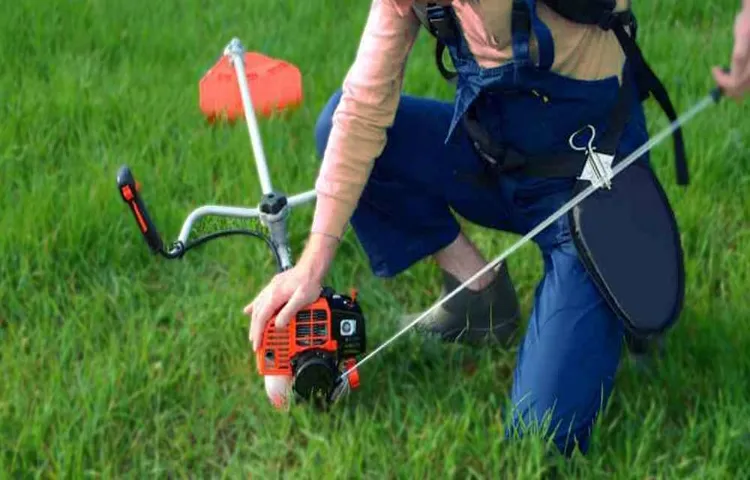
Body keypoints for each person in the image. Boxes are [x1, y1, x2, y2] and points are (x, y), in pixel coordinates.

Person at [245, 0, 750, 456]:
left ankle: (624, 287)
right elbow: (361, 112)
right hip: (497, 161)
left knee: (539, 438)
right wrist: (312, 265)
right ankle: (479, 294)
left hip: (594, 188)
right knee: (337, 122)